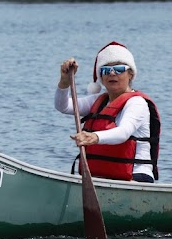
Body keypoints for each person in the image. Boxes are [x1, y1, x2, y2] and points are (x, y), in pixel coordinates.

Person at [56, 41, 160, 182]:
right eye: (105, 70)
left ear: (130, 74)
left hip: (136, 177)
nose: (111, 73)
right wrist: (64, 82)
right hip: (104, 176)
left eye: (118, 69)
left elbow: (123, 132)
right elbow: (63, 106)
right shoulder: (98, 101)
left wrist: (94, 137)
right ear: (101, 78)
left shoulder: (137, 103)